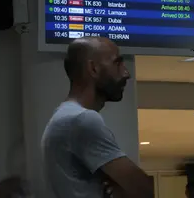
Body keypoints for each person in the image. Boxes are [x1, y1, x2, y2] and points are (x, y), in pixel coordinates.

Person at [41, 37, 154, 198]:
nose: (126, 73)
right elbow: (145, 190)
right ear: (93, 68)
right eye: (117, 63)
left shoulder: (64, 117)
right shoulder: (81, 120)